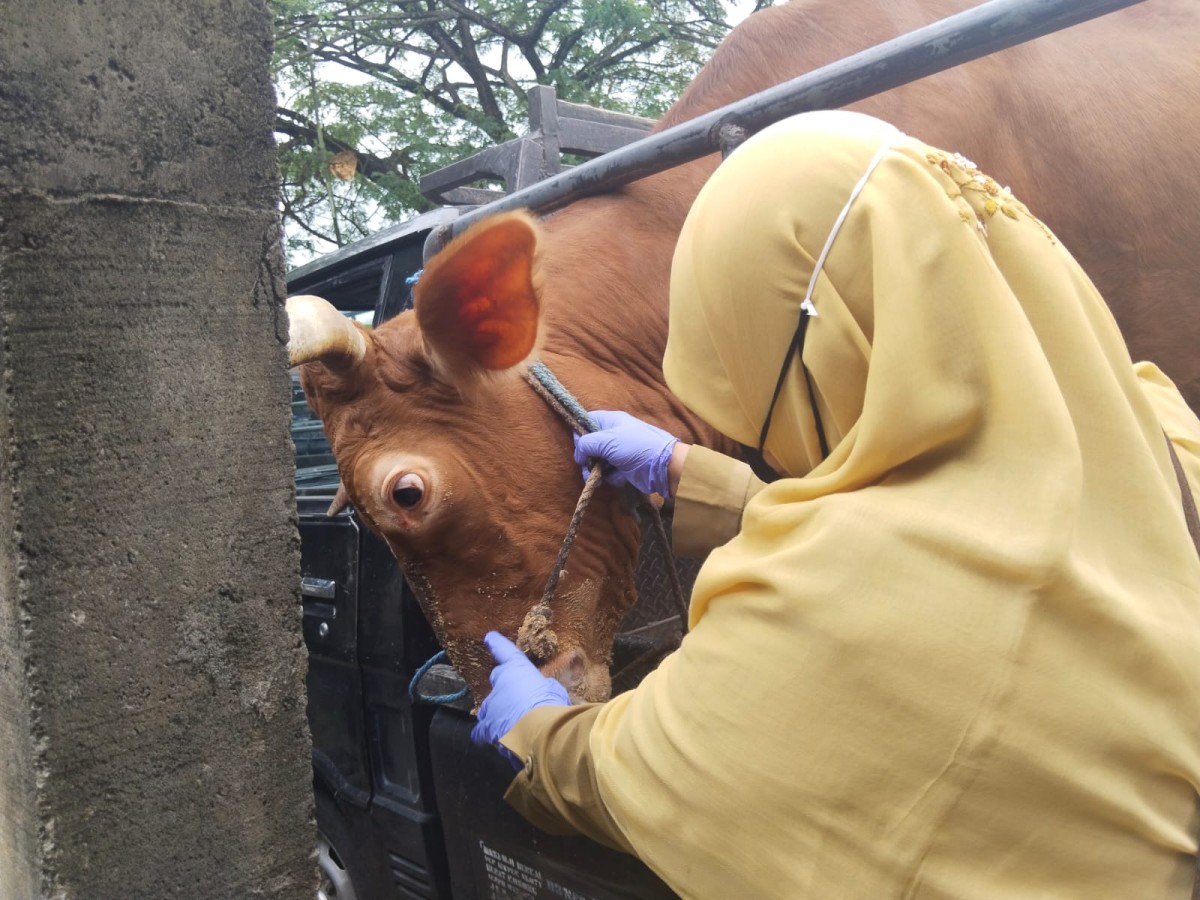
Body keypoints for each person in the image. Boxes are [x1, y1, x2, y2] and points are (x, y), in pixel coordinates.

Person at [470, 110, 1200, 898]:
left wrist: (535, 730)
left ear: (820, 339)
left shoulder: (830, 620)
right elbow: (941, 547)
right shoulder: (1156, 425)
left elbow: (657, 771)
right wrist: (694, 475)